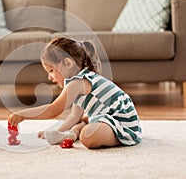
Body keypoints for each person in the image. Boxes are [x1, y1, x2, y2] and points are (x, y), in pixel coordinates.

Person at [8, 36, 142, 149]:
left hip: (123, 123)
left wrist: (23, 114)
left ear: (67, 63)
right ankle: (73, 132)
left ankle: (121, 137)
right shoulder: (79, 81)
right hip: (106, 119)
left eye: (51, 70)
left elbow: (54, 110)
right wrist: (56, 132)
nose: (49, 77)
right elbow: (74, 116)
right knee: (83, 123)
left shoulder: (77, 83)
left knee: (88, 136)